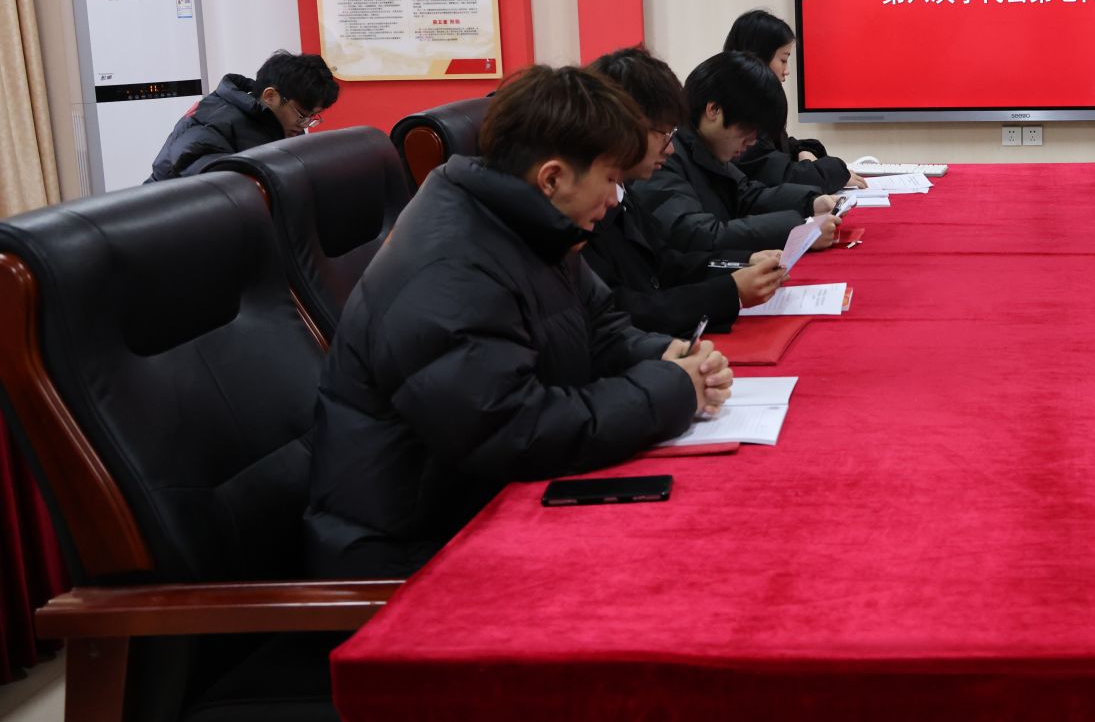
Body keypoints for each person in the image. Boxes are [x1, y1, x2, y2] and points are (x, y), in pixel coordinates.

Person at [305, 64, 732, 579]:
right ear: (552, 177)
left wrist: (666, 355)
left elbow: (601, 326)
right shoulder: (449, 273)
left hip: (490, 506)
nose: (614, 200)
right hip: (415, 557)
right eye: (610, 180)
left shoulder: (533, 224)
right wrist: (669, 391)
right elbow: (515, 431)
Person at [585, 46, 788, 335]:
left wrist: (742, 262)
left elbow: (667, 262)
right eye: (664, 134)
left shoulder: (622, 190)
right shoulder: (584, 208)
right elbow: (625, 310)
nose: (669, 148)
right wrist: (729, 291)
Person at [637, 51, 842, 258]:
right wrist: (796, 231)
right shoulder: (661, 157)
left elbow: (745, 196)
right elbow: (695, 234)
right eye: (748, 130)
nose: (752, 141)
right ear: (714, 110)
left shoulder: (704, 146)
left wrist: (810, 203)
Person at [147, 50, 339, 181]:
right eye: (302, 115)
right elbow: (208, 182)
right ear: (270, 96)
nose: (304, 124)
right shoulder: (212, 122)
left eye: (312, 118)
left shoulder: (281, 125)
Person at [722, 9, 857, 193]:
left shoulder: (749, 101)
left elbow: (776, 149)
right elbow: (782, 176)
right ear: (758, 57)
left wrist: (802, 151)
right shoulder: (741, 112)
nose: (786, 71)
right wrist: (838, 171)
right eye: (783, 60)